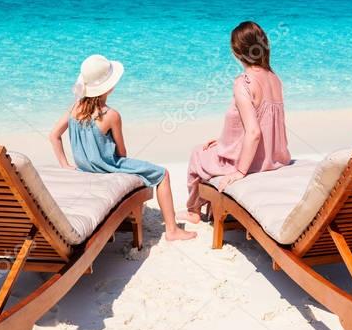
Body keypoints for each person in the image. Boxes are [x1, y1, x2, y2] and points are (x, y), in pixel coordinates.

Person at [50, 54, 197, 241]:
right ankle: (172, 230)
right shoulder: (111, 115)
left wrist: (65, 164)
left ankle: (169, 222)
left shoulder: (75, 108)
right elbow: (121, 153)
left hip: (84, 167)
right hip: (108, 167)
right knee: (163, 174)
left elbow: (53, 136)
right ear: (109, 88)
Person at [181, 21, 291, 222]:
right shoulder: (274, 78)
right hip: (276, 158)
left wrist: (240, 171)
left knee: (197, 154)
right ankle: (213, 208)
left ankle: (193, 211)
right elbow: (263, 122)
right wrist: (223, 141)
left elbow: (254, 132)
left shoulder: (244, 83)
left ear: (236, 52)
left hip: (252, 162)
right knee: (210, 148)